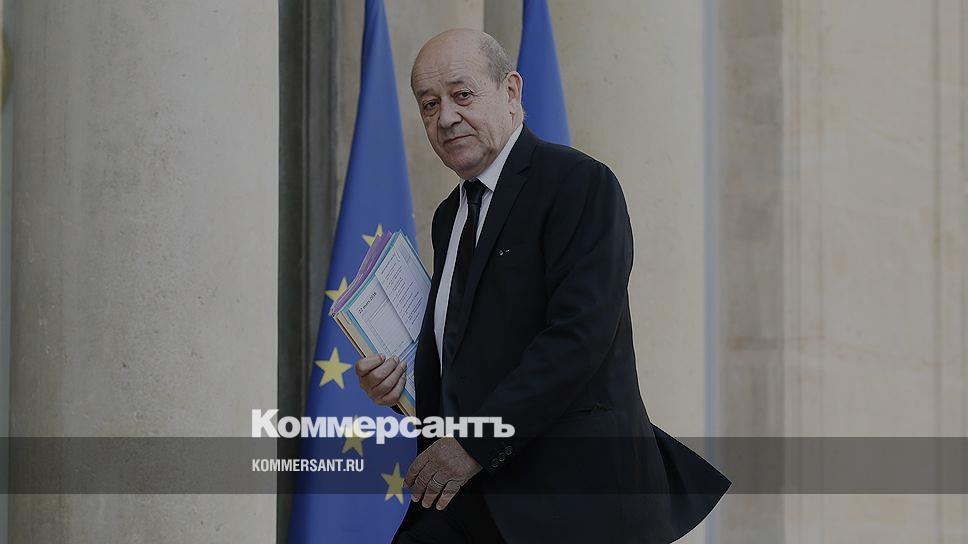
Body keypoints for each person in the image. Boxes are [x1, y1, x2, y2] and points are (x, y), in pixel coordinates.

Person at [354, 28, 730, 543]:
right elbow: (467, 350)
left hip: (568, 497)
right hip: (467, 497)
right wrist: (399, 383)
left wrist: (473, 446)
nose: (446, 117)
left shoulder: (578, 183)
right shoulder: (449, 216)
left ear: (511, 92)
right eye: (429, 104)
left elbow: (579, 337)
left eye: (462, 95)